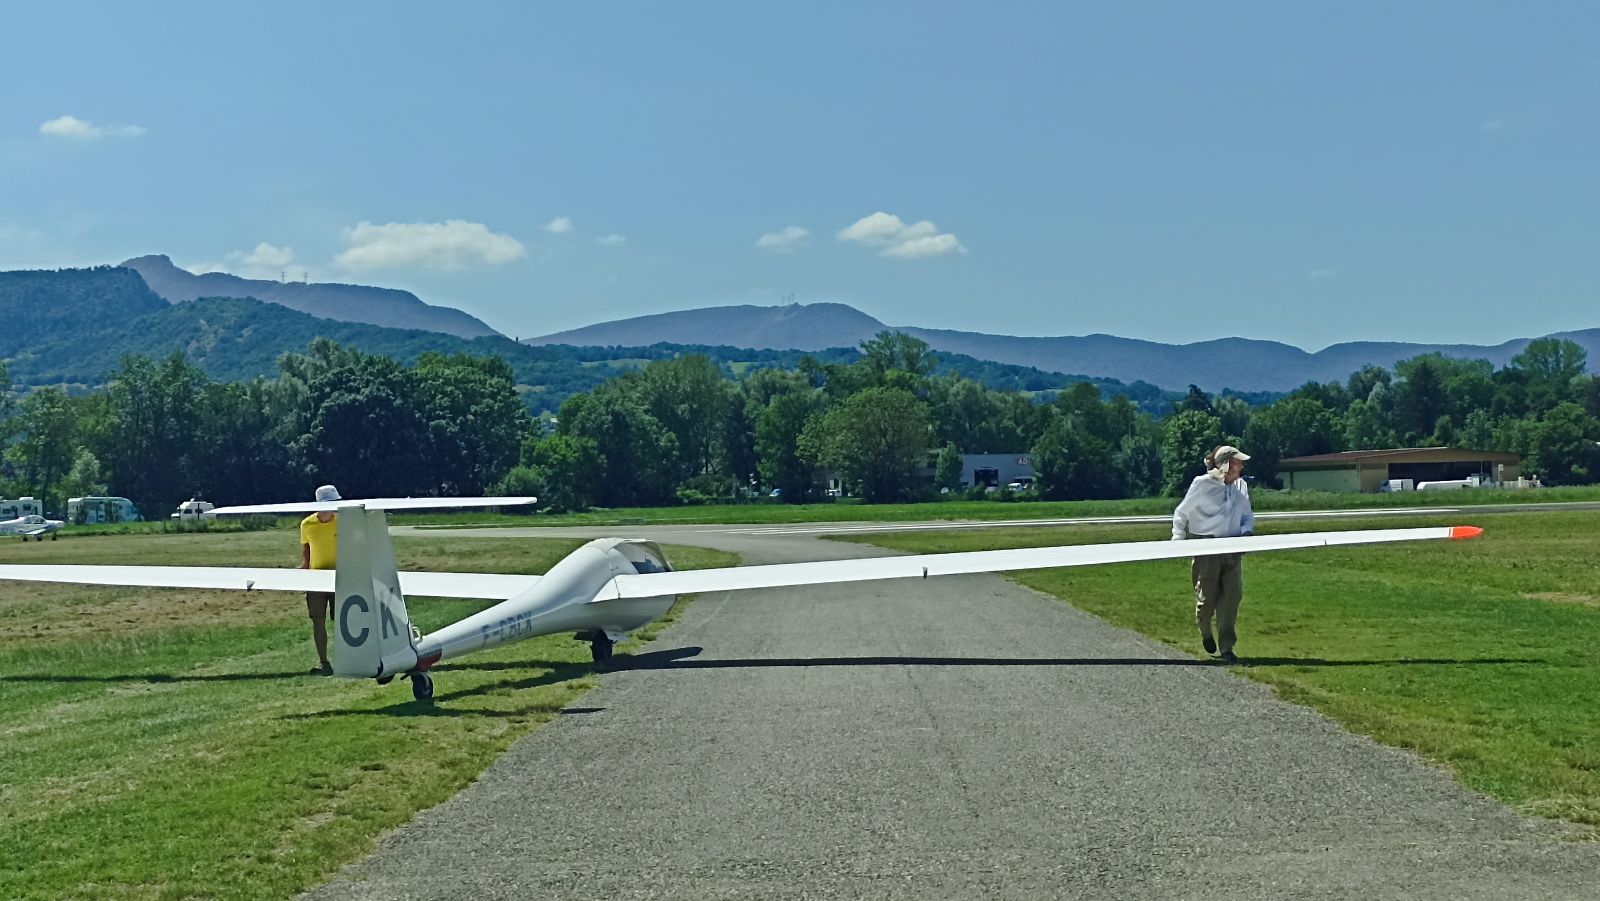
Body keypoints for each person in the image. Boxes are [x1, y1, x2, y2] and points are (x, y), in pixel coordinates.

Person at [1171, 445, 1255, 664]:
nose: (1241, 466)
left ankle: (1227, 648)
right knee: (1206, 601)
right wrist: (1177, 540)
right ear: (1225, 465)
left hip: (1232, 549)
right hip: (1206, 549)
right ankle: (1205, 630)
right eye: (1237, 462)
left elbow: (1247, 516)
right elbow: (1181, 512)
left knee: (1231, 598)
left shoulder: (1241, 486)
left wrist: (1247, 533)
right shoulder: (1202, 484)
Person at [298, 484, 341, 675]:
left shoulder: (343, 522)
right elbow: (306, 548)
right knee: (318, 620)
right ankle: (324, 662)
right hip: (316, 579)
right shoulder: (307, 524)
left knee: (342, 620)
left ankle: (347, 658)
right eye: (331, 503)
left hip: (340, 578)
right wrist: (304, 568)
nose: (335, 507)